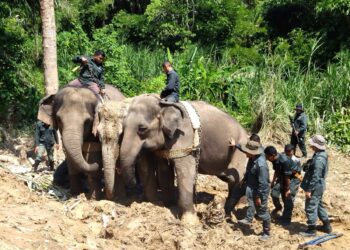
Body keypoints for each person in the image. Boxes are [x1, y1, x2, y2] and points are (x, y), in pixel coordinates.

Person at [237, 140, 271, 241]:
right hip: (252, 186)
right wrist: (236, 145)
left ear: (252, 152)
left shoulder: (261, 165)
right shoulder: (253, 157)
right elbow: (243, 150)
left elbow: (263, 184)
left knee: (262, 211)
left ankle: (266, 232)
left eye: (247, 151)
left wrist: (259, 197)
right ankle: (248, 218)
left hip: (260, 190)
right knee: (251, 203)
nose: (245, 153)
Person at [299, 135, 332, 237]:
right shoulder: (319, 155)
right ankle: (327, 226)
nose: (310, 146)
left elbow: (316, 176)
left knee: (310, 207)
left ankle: (311, 230)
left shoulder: (319, 159)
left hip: (315, 187)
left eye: (312, 144)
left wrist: (309, 190)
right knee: (318, 206)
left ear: (316, 146)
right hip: (318, 186)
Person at [265, 146, 300, 226]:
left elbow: (287, 176)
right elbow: (277, 170)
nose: (267, 158)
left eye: (267, 156)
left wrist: (287, 189)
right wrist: (273, 181)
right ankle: (279, 208)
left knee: (288, 197)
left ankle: (286, 219)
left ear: (273, 155)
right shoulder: (274, 159)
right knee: (274, 193)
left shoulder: (284, 160)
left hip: (295, 176)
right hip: (283, 175)